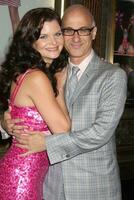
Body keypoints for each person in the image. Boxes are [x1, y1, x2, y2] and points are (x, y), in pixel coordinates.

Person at [2, 4, 127, 200]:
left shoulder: (112, 76)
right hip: (48, 185)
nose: (75, 37)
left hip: (92, 186)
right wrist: (5, 123)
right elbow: (20, 110)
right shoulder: (47, 72)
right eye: (68, 30)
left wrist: (47, 143)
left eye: (83, 30)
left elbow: (100, 132)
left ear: (93, 33)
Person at [0, 7, 71, 200]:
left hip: (23, 172)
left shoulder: (25, 73)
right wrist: (60, 88)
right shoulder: (38, 77)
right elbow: (63, 129)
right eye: (43, 36)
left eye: (57, 34)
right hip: (22, 178)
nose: (54, 42)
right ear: (30, 42)